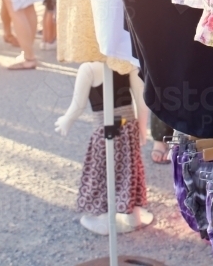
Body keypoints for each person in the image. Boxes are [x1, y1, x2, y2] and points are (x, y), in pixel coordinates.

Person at [55, 63, 152, 235]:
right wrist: (142, 128)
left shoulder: (89, 68)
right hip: (128, 127)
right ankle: (133, 214)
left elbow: (78, 105)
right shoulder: (125, 64)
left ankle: (106, 220)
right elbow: (141, 101)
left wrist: (67, 120)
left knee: (103, 172)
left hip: (105, 130)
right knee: (129, 169)